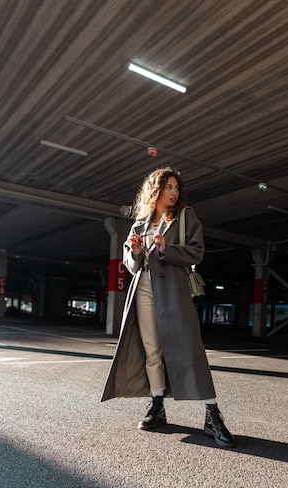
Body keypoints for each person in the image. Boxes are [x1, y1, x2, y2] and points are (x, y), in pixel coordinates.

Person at [101, 167, 236, 449]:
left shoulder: (186, 217)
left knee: (190, 349)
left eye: (176, 187)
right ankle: (157, 405)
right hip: (144, 289)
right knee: (152, 350)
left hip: (174, 292)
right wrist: (136, 252)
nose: (174, 192)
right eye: (168, 187)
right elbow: (130, 263)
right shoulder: (139, 222)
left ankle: (212, 415)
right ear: (156, 190)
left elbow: (196, 252)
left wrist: (165, 248)